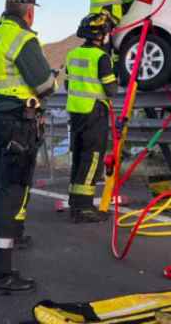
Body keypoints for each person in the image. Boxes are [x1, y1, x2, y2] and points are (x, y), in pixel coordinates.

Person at [0, 0, 56, 295]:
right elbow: (44, 85)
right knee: (10, 196)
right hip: (17, 125)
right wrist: (54, 76)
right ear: (30, 12)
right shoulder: (23, 39)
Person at [64, 12, 118, 223]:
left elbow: (69, 84)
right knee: (92, 157)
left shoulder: (72, 54)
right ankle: (85, 208)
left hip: (76, 112)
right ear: (101, 34)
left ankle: (75, 203)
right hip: (94, 112)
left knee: (79, 157)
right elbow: (111, 89)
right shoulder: (101, 58)